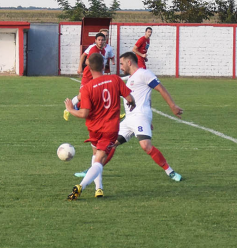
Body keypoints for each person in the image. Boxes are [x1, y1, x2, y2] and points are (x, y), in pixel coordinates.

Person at [77, 52, 183, 181]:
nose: (120, 67)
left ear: (129, 62)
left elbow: (160, 88)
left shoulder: (144, 73)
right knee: (110, 145)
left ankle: (170, 171)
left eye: (121, 64)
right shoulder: (131, 78)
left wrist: (172, 106)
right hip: (130, 119)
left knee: (145, 145)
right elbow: (144, 96)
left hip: (139, 116)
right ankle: (92, 170)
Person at [64, 53, 135, 199]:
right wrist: (132, 104)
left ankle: (99, 188)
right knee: (99, 160)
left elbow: (84, 113)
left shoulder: (87, 88)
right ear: (104, 66)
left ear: (88, 67)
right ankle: (81, 186)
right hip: (109, 129)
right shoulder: (115, 79)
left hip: (94, 129)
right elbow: (129, 98)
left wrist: (71, 109)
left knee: (95, 155)